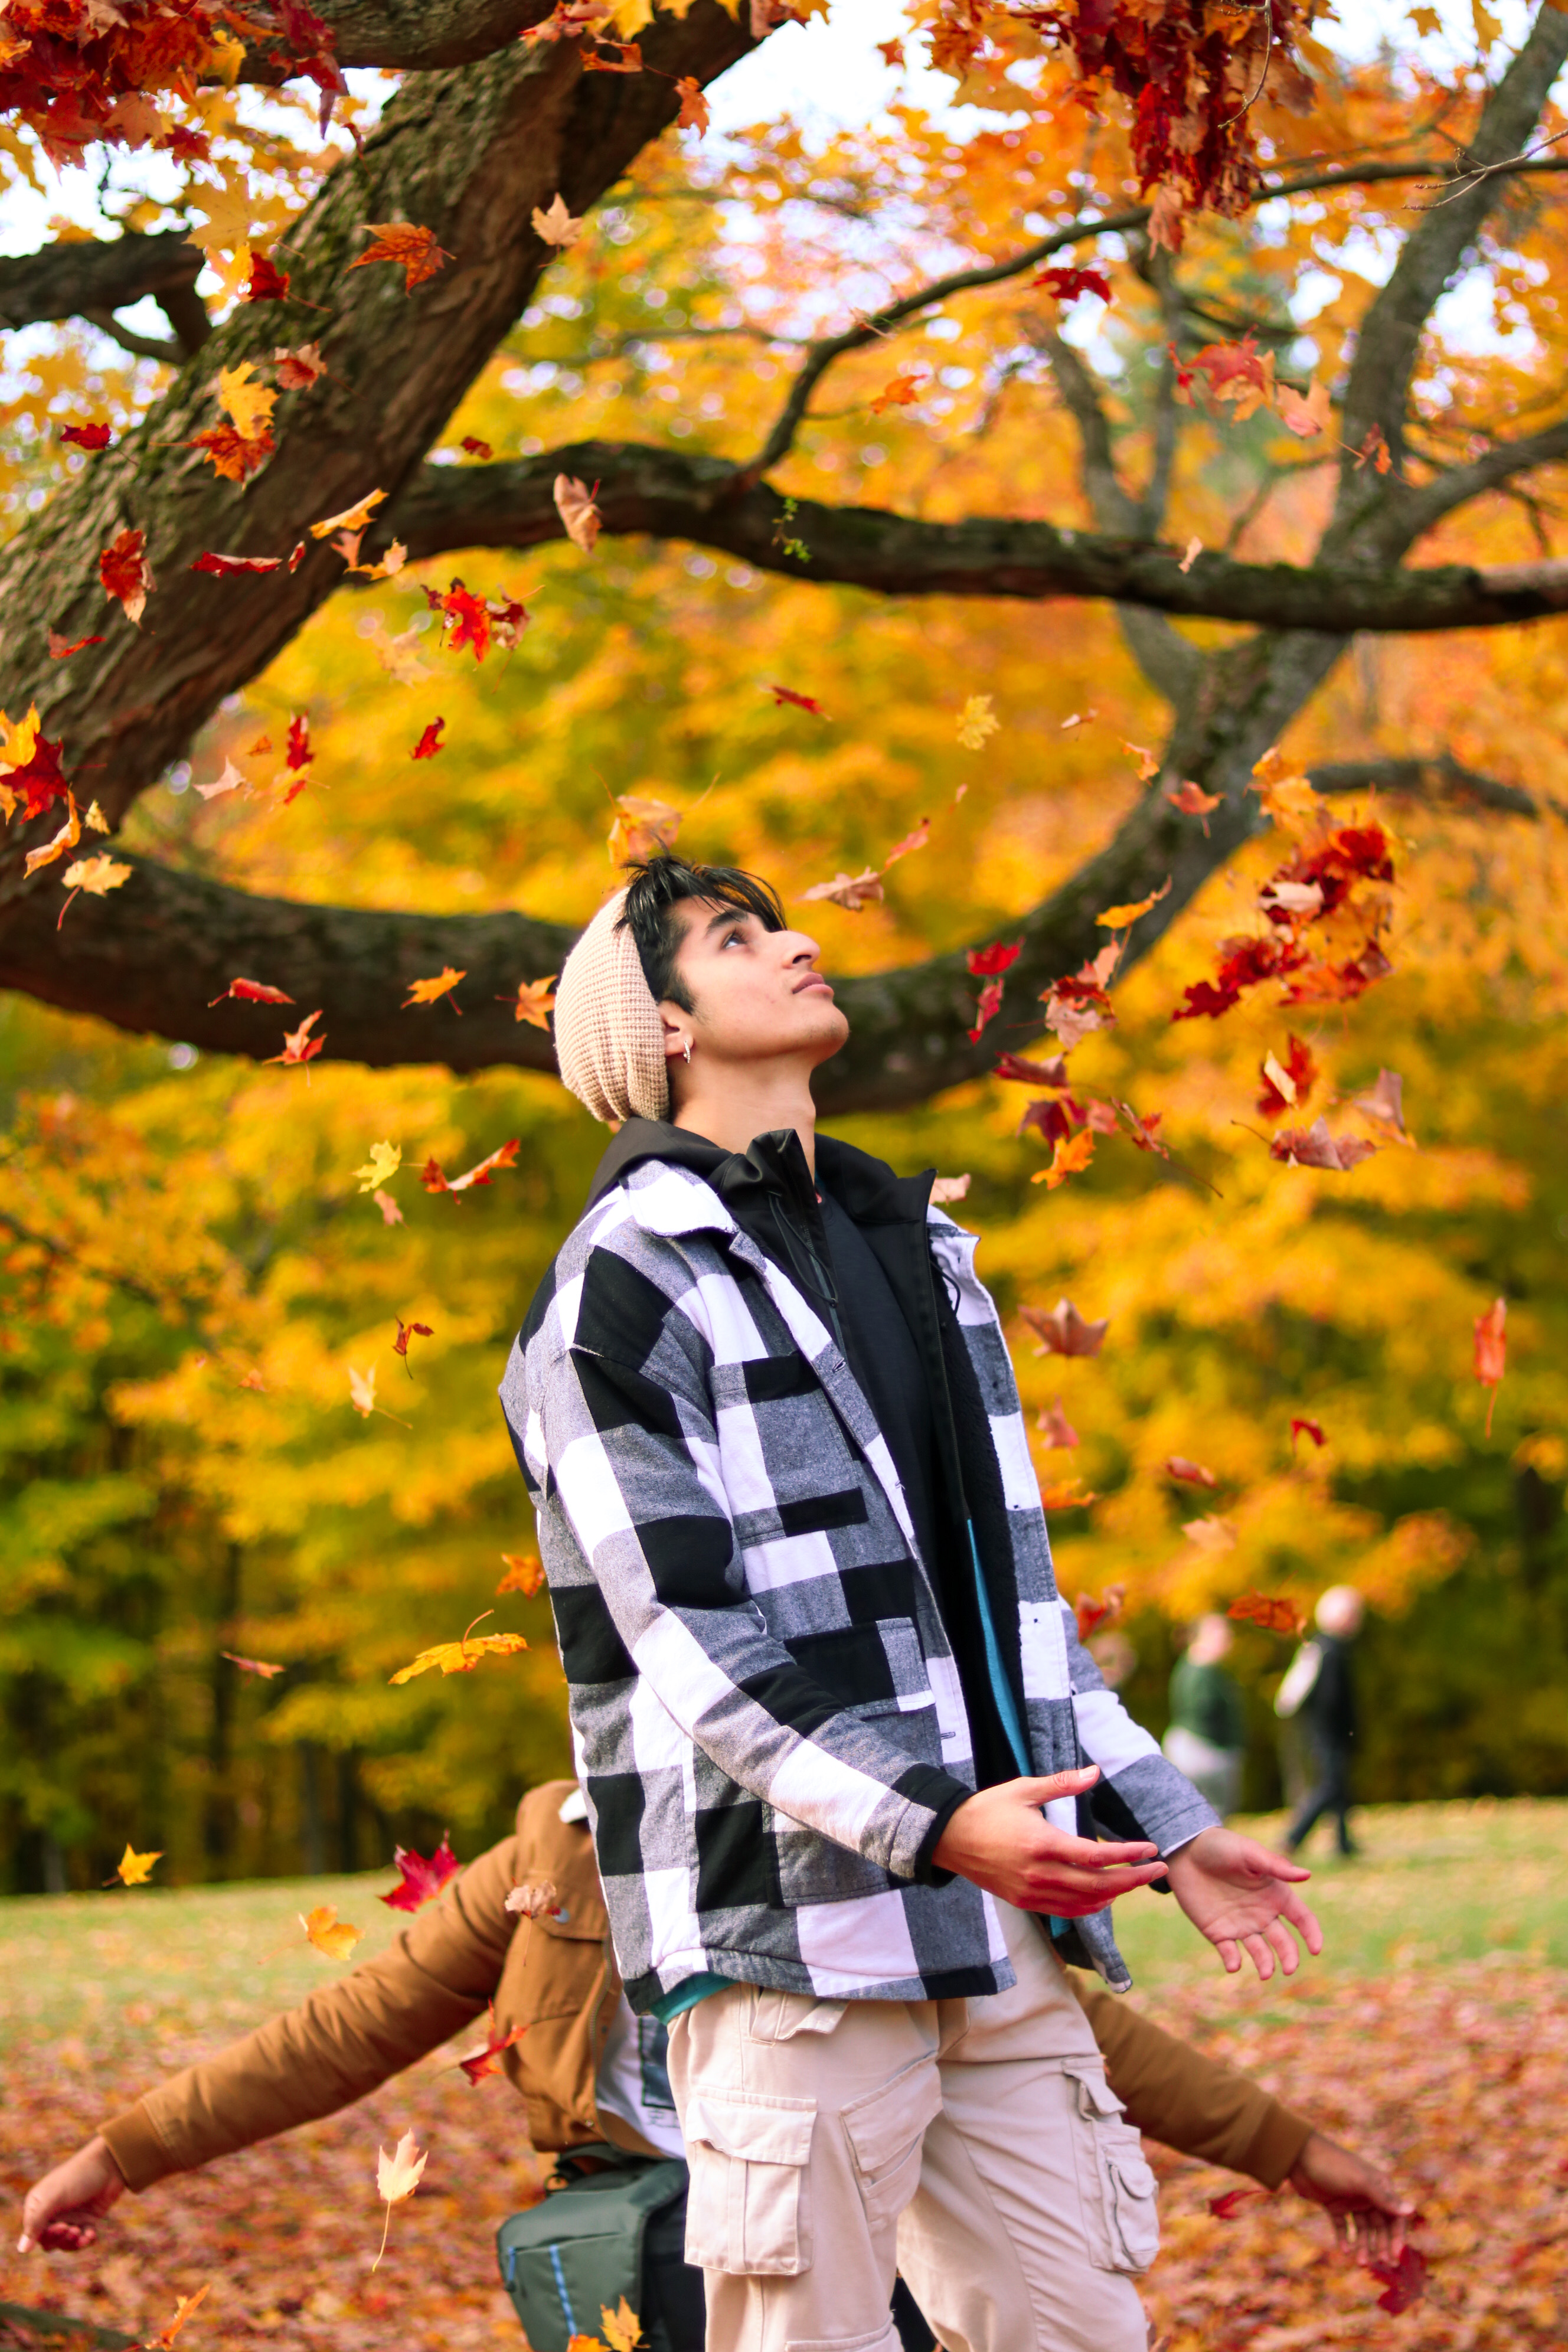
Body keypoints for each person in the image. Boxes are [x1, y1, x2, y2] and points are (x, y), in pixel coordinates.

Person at [499, 854, 1326, 2352]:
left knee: (1079, 2330)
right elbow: (690, 1645)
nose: (800, 943)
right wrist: (938, 1818)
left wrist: (1164, 1823)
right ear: (662, 1027)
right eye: (739, 940)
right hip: (785, 1950)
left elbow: (1011, 1614)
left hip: (982, 1924)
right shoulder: (616, 1294)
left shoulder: (922, 1253)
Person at [18, 1779, 1412, 2351]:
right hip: (648, 2230)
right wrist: (117, 2154)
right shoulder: (554, 1857)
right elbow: (341, 2032)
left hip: (871, 2198)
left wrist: (1301, 2158)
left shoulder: (879, 1843)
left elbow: (1092, 2047)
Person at [1283, 1586, 1364, 1858]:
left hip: (1325, 1732)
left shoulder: (1323, 1647)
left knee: (1340, 1787)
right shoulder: (1329, 1650)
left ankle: (1343, 1842)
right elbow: (1331, 1699)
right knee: (1330, 1786)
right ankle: (1293, 1837)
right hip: (1326, 1734)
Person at [1164, 1615, 1247, 1818]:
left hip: (1196, 1751)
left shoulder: (1204, 1670)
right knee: (1208, 1818)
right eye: (1222, 1633)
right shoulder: (1199, 1672)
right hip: (1203, 1753)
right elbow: (1205, 1713)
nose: (1229, 1638)